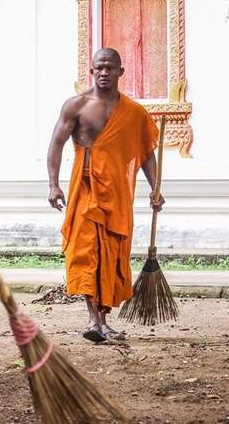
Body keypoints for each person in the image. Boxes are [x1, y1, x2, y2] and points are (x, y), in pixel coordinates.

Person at [47, 48, 165, 343]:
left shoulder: (134, 112)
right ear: (92, 71)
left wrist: (155, 188)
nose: (103, 73)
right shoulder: (76, 105)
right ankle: (93, 318)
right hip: (85, 191)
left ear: (120, 72)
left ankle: (102, 319)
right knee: (86, 252)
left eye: (110, 68)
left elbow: (146, 155)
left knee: (111, 255)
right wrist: (53, 184)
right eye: (99, 68)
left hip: (117, 196)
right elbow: (56, 144)